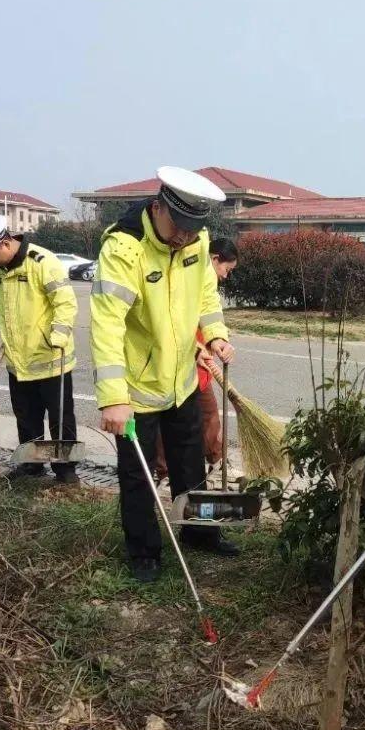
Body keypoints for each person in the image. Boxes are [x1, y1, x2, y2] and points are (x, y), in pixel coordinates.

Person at [91, 167, 237, 584]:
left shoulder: (197, 240)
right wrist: (113, 396)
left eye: (194, 230)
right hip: (137, 389)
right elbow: (107, 326)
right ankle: (144, 551)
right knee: (138, 474)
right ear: (158, 208)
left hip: (182, 382)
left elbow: (206, 295)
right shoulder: (124, 248)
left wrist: (215, 336)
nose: (185, 238)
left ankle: (200, 533)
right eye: (179, 227)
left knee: (190, 464)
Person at [0, 215, 80, 485]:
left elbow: (65, 302)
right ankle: (32, 465)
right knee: (26, 416)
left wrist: (59, 333)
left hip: (51, 357)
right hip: (17, 359)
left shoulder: (42, 262)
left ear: (5, 243)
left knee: (60, 417)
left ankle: (65, 470)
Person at [152, 236, 240, 479]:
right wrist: (195, 348)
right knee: (174, 418)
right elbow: (173, 321)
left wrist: (217, 340)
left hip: (200, 362)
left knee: (208, 413)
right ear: (214, 259)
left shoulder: (206, 284)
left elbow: (209, 314)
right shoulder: (191, 278)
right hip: (178, 363)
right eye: (226, 269)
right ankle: (167, 471)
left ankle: (213, 460)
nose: (226, 275)